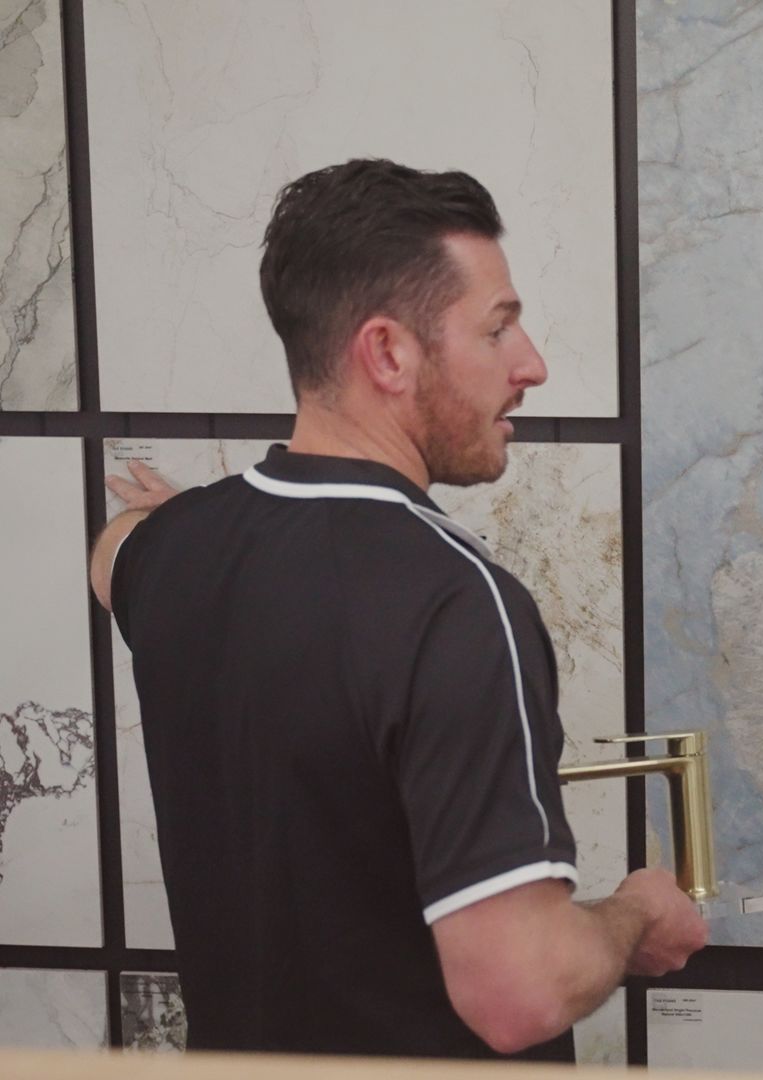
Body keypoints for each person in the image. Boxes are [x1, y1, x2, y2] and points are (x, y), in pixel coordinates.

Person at [88, 159, 705, 1060]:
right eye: (499, 330)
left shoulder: (178, 554)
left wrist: (190, 517)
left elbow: (112, 552)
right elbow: (517, 992)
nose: (531, 364)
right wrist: (634, 916)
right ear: (387, 352)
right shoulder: (461, 602)